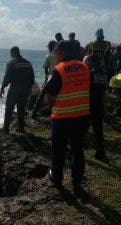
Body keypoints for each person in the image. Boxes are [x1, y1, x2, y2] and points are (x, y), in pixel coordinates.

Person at [45, 40, 90, 191]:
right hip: (82, 116)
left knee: (58, 150)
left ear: (61, 53)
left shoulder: (58, 70)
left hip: (62, 118)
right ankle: (77, 180)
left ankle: (57, 179)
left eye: (56, 53)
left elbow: (50, 97)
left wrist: (50, 104)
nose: (55, 56)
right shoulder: (85, 67)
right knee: (78, 149)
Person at [0, 46, 35, 134]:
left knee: (9, 109)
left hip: (15, 88)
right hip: (26, 89)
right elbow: (32, 78)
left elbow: (7, 77)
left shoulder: (12, 63)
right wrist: (30, 89)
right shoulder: (28, 63)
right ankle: (21, 128)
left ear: (12, 53)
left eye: (11, 53)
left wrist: (3, 87)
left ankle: (5, 130)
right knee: (21, 109)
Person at [84, 54, 108, 161]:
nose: (84, 64)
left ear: (90, 62)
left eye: (85, 62)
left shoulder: (89, 73)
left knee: (81, 128)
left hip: (88, 104)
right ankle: (100, 152)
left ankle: (77, 149)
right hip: (99, 104)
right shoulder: (103, 73)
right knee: (98, 130)